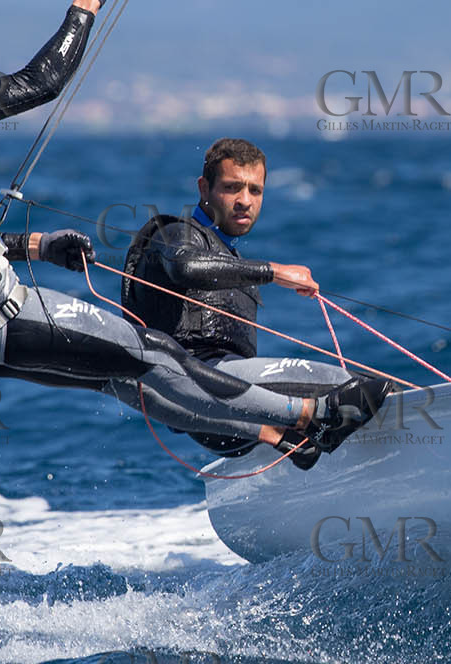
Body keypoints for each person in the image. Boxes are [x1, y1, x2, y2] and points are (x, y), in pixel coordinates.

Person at [0, 0, 388, 467]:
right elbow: (37, 83)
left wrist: (41, 248)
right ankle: (314, 416)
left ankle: (273, 435)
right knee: (157, 354)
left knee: (132, 381)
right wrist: (88, 0)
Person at [121, 138, 356, 462]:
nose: (245, 200)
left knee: (340, 415)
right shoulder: (174, 233)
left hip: (238, 417)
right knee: (357, 391)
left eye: (255, 190)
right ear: (204, 189)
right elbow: (184, 266)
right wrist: (272, 271)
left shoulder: (229, 257)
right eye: (232, 188)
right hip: (199, 384)